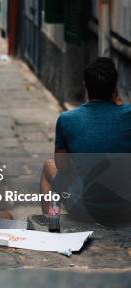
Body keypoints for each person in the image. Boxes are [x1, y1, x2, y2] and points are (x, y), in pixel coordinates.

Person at [39, 58, 131, 222]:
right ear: (115, 88)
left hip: (85, 210)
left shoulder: (67, 119)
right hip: (126, 208)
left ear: (85, 86)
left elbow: (62, 166)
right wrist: (119, 103)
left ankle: (50, 223)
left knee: (49, 167)